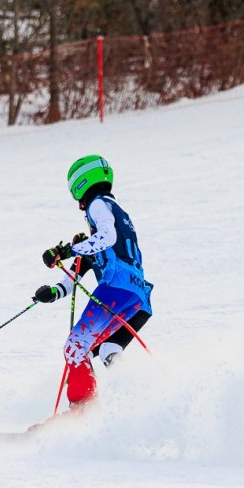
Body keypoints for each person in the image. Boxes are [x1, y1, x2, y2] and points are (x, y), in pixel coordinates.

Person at [33, 154, 154, 405]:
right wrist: (53, 292)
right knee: (100, 349)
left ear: (80, 184)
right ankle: (140, 400)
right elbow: (74, 278)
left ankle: (83, 411)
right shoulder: (114, 214)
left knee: (75, 346)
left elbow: (107, 237)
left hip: (116, 289)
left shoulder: (98, 204)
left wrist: (67, 250)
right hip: (136, 296)